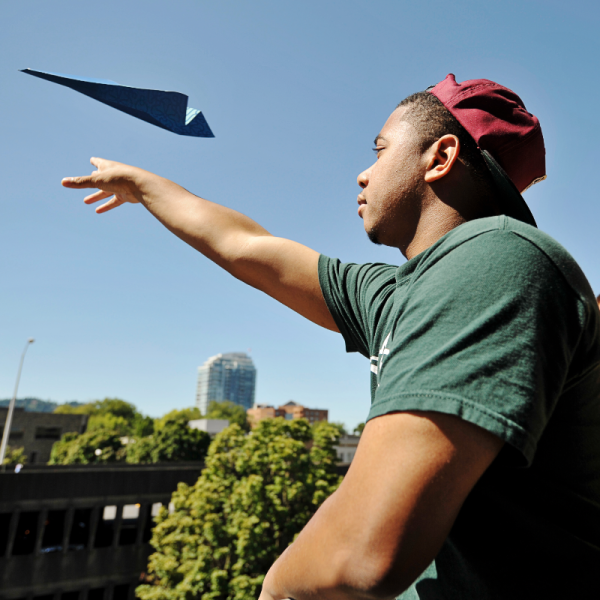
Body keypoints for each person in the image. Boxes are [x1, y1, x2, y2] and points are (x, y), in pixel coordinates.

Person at [63, 74, 600, 599]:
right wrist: (144, 186)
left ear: (439, 157)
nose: (363, 175)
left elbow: (364, 552)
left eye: (380, 149)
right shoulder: (408, 290)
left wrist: (275, 590)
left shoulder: (497, 262)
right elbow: (246, 245)